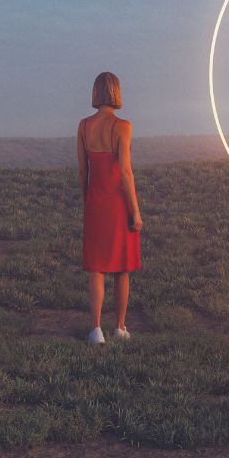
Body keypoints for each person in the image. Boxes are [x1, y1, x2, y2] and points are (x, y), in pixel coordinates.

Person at [77, 72, 142, 345]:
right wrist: (135, 210)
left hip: (95, 202)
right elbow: (125, 172)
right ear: (116, 92)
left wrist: (87, 201)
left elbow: (83, 171)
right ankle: (120, 326)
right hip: (117, 203)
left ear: (95, 93)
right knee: (122, 268)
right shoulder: (122, 126)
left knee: (97, 268)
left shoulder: (84, 126)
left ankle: (95, 330)